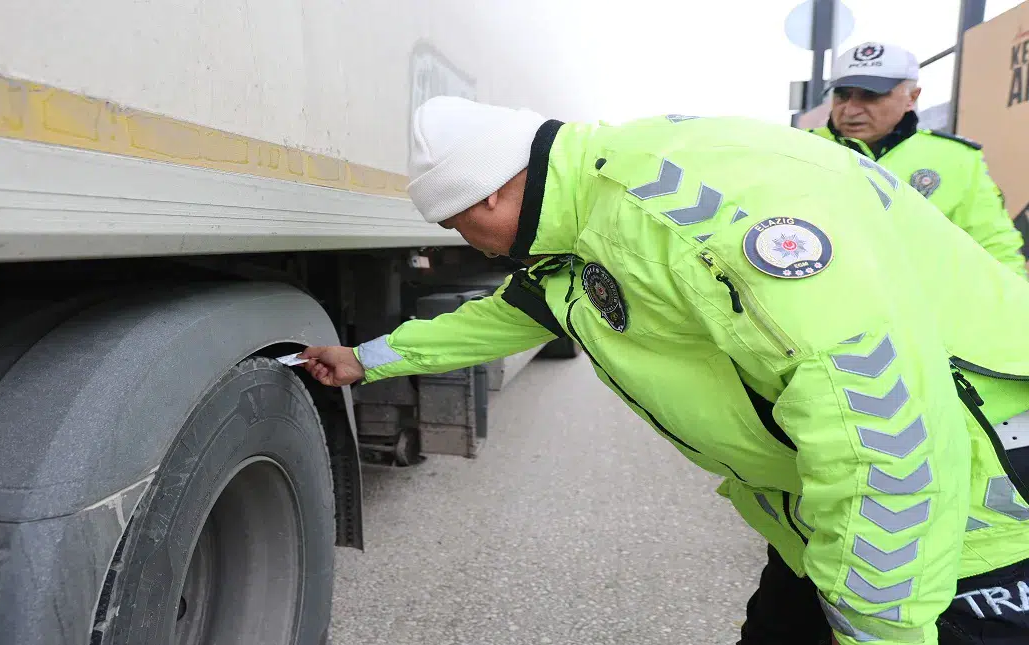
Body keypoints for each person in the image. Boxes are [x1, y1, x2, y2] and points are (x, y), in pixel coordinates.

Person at [300, 95, 1029, 644]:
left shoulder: (694, 221)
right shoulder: (582, 220)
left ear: (490, 191)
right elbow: (501, 317)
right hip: (824, 524)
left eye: (460, 224)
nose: (470, 245)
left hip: (966, 521)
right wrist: (366, 359)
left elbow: (878, 429)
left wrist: (882, 629)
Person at [808, 41, 1028, 279]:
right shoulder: (800, 148)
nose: (851, 110)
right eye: (842, 95)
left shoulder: (956, 158)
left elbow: (993, 246)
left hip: (919, 310)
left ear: (912, 97)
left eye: (870, 96)